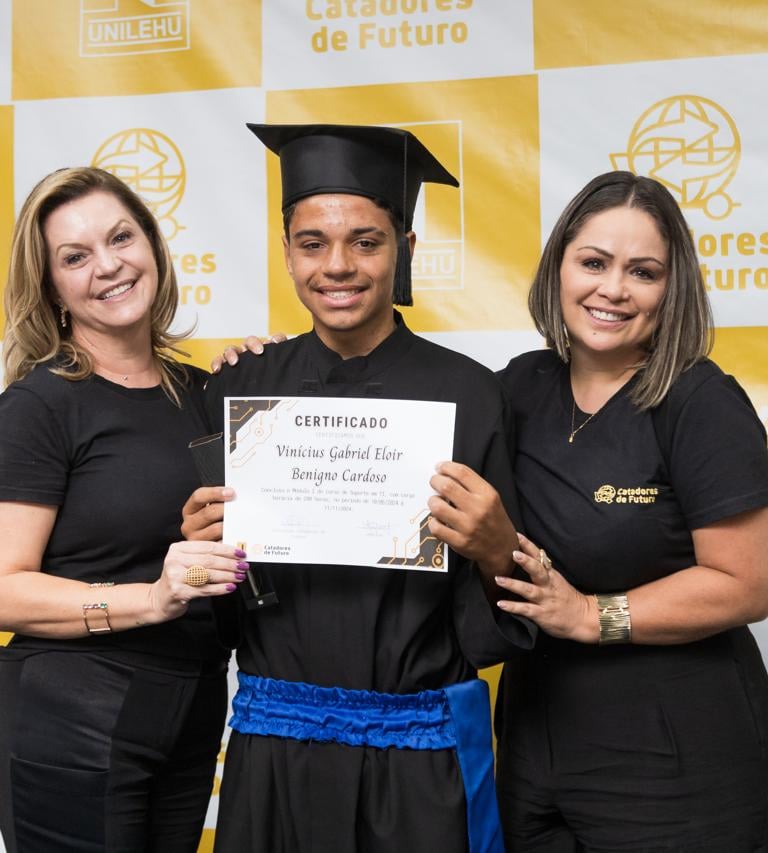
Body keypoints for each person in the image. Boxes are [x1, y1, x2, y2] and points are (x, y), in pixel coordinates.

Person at [181, 123, 536, 853]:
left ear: (405, 249)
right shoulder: (241, 391)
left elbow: (493, 619)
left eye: (366, 241)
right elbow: (213, 613)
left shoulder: (469, 394)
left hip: (417, 763)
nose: (336, 265)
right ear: (286, 252)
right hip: (275, 756)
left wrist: (501, 550)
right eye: (312, 243)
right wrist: (200, 554)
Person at [429, 171, 768, 852]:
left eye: (642, 272)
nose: (613, 289)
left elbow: (750, 582)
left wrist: (589, 613)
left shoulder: (699, 401)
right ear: (559, 266)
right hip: (536, 747)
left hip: (677, 760)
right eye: (593, 262)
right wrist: (272, 370)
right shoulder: (519, 387)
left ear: (671, 290)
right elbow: (407, 436)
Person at [0, 167, 250, 853]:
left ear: (153, 246)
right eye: (75, 257)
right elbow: (2, 587)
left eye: (121, 238)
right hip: (70, 713)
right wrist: (147, 598)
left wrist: (265, 380)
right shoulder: (41, 405)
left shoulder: (205, 394)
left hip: (193, 709)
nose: (108, 265)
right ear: (51, 287)